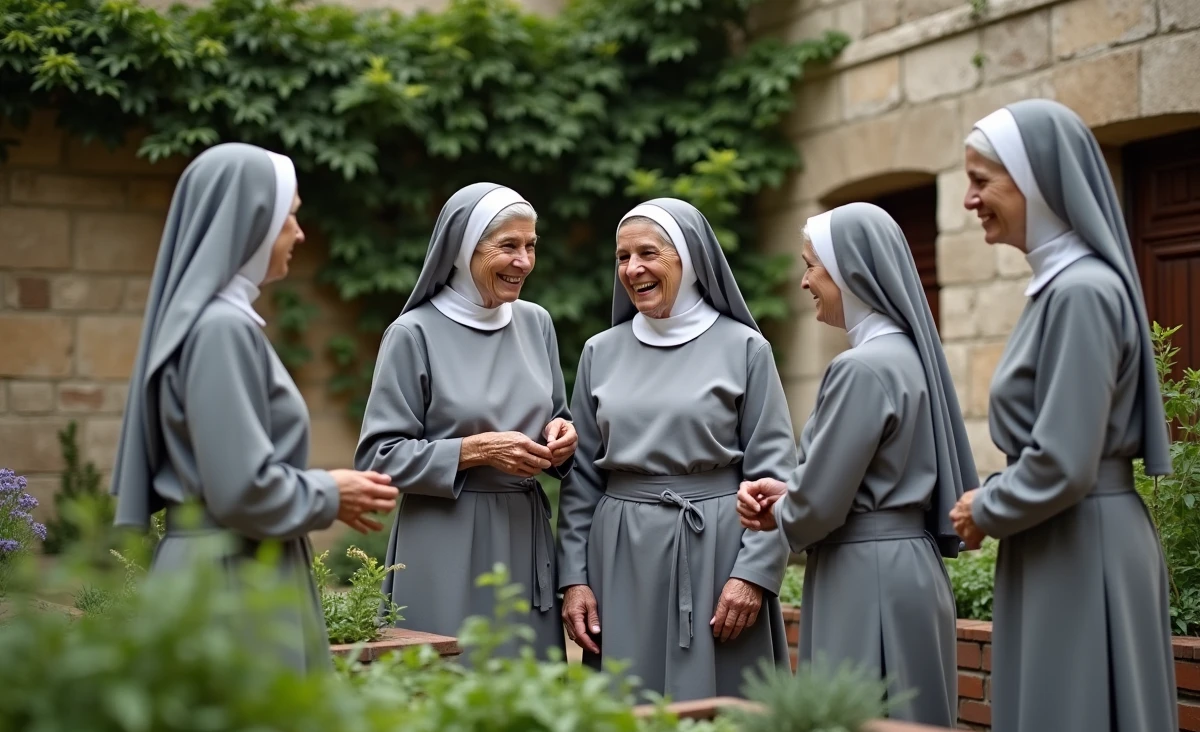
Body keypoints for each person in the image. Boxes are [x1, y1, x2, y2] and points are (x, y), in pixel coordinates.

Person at [950, 98, 1180, 732]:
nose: (969, 199)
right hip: (1067, 540)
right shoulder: (1063, 287)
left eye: (982, 180)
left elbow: (1063, 459)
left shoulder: (1079, 292)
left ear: (1035, 182)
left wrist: (986, 506)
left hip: (1082, 545)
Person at [110, 142, 399, 673]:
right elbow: (241, 488)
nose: (300, 233)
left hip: (225, 570)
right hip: (230, 582)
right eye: (290, 217)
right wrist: (330, 490)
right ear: (253, 222)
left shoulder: (214, 323)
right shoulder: (221, 329)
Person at [737, 202, 977, 727]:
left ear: (849, 271)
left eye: (811, 266)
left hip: (864, 576)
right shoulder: (913, 357)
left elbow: (820, 504)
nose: (804, 282)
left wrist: (778, 511)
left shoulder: (859, 369)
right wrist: (793, 493)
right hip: (912, 568)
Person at [557, 198, 795, 701]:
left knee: (725, 711)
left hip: (717, 552)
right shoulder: (600, 351)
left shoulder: (746, 348)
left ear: (689, 260)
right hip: (620, 559)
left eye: (648, 253)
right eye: (622, 257)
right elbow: (581, 479)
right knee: (628, 710)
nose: (633, 268)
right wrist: (574, 579)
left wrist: (752, 575)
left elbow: (775, 472)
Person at [355, 182, 576, 656]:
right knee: (451, 683)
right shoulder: (413, 333)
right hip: (444, 537)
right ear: (462, 250)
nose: (524, 261)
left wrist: (562, 439)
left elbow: (556, 415)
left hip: (524, 533)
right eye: (508, 246)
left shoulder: (537, 323)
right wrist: (477, 450)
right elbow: (378, 458)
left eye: (531, 245)